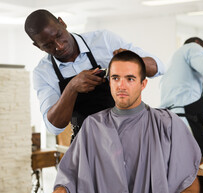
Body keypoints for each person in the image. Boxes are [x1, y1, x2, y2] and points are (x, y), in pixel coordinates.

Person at [35, 51, 201, 193]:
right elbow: (70, 174)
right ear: (110, 82)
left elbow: (189, 176)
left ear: (143, 84)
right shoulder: (92, 126)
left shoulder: (167, 124)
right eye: (115, 78)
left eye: (130, 78)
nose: (121, 85)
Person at [24, 9, 164, 138]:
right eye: (48, 45)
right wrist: (72, 88)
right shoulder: (43, 73)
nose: (59, 46)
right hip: (87, 143)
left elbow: (158, 67)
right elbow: (54, 127)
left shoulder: (104, 40)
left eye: (59, 35)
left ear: (63, 23)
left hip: (130, 133)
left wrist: (132, 62)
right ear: (37, 46)